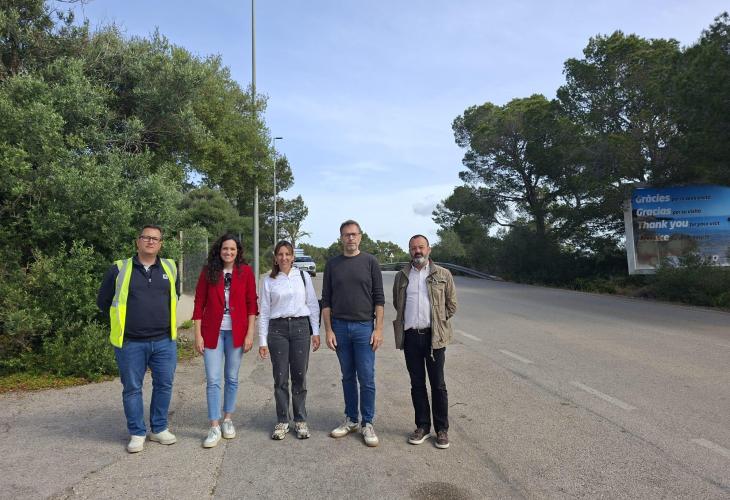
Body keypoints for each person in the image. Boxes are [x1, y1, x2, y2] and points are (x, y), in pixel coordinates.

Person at [97, 224, 180, 453]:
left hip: (164, 341)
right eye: (146, 237)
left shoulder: (170, 267)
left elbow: (175, 296)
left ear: (160, 244)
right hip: (130, 342)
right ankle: (137, 433)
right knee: (132, 389)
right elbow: (103, 302)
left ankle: (159, 428)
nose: (150, 241)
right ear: (138, 241)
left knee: (164, 385)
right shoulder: (119, 269)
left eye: (155, 239)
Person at [322, 220, 385, 447]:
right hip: (339, 327)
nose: (350, 238)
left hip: (364, 327)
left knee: (366, 377)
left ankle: (367, 422)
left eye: (354, 234)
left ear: (360, 236)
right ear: (341, 238)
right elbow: (326, 300)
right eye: (346, 235)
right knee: (347, 376)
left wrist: (378, 329)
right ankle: (351, 419)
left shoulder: (370, 262)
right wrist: (328, 330)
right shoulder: (332, 265)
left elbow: (379, 298)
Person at [192, 234, 257, 448]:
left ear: (238, 252)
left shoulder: (245, 272)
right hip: (213, 332)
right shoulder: (208, 271)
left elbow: (251, 304)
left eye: (232, 249)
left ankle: (227, 419)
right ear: (219, 250)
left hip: (236, 333)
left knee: (232, 378)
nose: (228, 252)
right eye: (225, 249)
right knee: (213, 379)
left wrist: (250, 333)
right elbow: (199, 302)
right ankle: (214, 425)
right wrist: (198, 334)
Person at [392, 234, 457, 449]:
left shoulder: (443, 274)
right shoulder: (402, 276)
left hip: (434, 337)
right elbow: (398, 303)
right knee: (417, 384)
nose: (417, 251)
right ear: (409, 251)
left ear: (429, 249)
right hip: (411, 336)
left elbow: (451, 305)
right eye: (413, 248)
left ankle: (442, 430)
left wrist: (437, 322)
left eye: (421, 247)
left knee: (438, 384)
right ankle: (422, 426)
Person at [258, 241, 321, 440]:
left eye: (287, 254)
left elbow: (312, 304)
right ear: (275, 257)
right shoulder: (269, 280)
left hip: (301, 328)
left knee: (300, 376)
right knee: (280, 377)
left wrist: (316, 331)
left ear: (293, 257)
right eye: (280, 254)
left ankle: (300, 419)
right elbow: (264, 311)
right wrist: (262, 341)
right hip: (277, 330)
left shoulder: (303, 277)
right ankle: (283, 420)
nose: (284, 258)